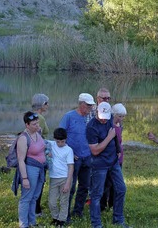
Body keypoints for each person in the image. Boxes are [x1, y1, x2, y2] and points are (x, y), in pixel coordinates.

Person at [87, 102, 128, 228]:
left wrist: (117, 150)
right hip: (99, 165)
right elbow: (95, 150)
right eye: (102, 117)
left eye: (106, 116)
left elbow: (115, 137)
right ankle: (96, 224)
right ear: (96, 113)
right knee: (97, 194)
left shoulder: (110, 118)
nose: (104, 119)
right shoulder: (91, 127)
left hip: (113, 162)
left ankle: (118, 220)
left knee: (121, 189)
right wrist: (109, 137)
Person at [59, 93, 95, 221]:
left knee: (84, 186)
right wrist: (69, 153)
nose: (90, 108)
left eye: (91, 106)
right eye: (88, 105)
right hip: (73, 159)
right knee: (70, 187)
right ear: (81, 104)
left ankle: (78, 211)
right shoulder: (69, 117)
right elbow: (60, 136)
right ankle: (65, 214)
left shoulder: (91, 118)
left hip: (87, 157)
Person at [16, 111, 46, 227]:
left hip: (40, 169)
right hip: (30, 169)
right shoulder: (23, 138)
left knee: (34, 197)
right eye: (34, 124)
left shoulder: (38, 132)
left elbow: (43, 147)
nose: (37, 125)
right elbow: (21, 160)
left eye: (37, 122)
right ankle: (23, 224)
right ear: (27, 125)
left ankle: (32, 222)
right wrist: (24, 178)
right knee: (26, 198)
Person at [100, 103, 126, 211]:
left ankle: (112, 205)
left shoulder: (120, 126)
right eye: (119, 116)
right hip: (109, 158)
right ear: (113, 115)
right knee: (106, 183)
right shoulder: (109, 126)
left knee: (116, 184)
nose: (121, 119)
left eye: (123, 116)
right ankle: (102, 205)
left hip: (119, 158)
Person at [48, 128, 74, 227]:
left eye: (62, 141)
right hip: (54, 178)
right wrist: (47, 153)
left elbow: (71, 167)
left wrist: (68, 183)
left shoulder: (68, 150)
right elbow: (40, 140)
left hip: (65, 178)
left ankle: (61, 220)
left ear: (66, 139)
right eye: (58, 141)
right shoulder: (51, 144)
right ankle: (55, 217)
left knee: (64, 201)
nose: (60, 144)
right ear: (54, 139)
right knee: (52, 201)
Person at [31, 93, 49, 217]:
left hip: (31, 155)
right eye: (46, 103)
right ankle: (36, 209)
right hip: (39, 154)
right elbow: (39, 136)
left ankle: (34, 208)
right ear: (42, 105)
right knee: (39, 182)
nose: (47, 106)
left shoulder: (30, 116)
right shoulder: (40, 119)